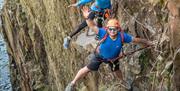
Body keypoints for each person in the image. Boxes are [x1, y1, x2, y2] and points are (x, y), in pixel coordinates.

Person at [65, 7, 153, 91]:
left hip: (113, 59)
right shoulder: (103, 32)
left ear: (118, 29)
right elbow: (92, 26)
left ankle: (123, 81)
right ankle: (72, 83)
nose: (112, 31)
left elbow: (135, 40)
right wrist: (88, 18)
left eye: (114, 29)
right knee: (88, 68)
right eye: (110, 29)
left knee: (117, 70)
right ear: (107, 29)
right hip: (99, 56)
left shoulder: (122, 36)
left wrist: (147, 42)